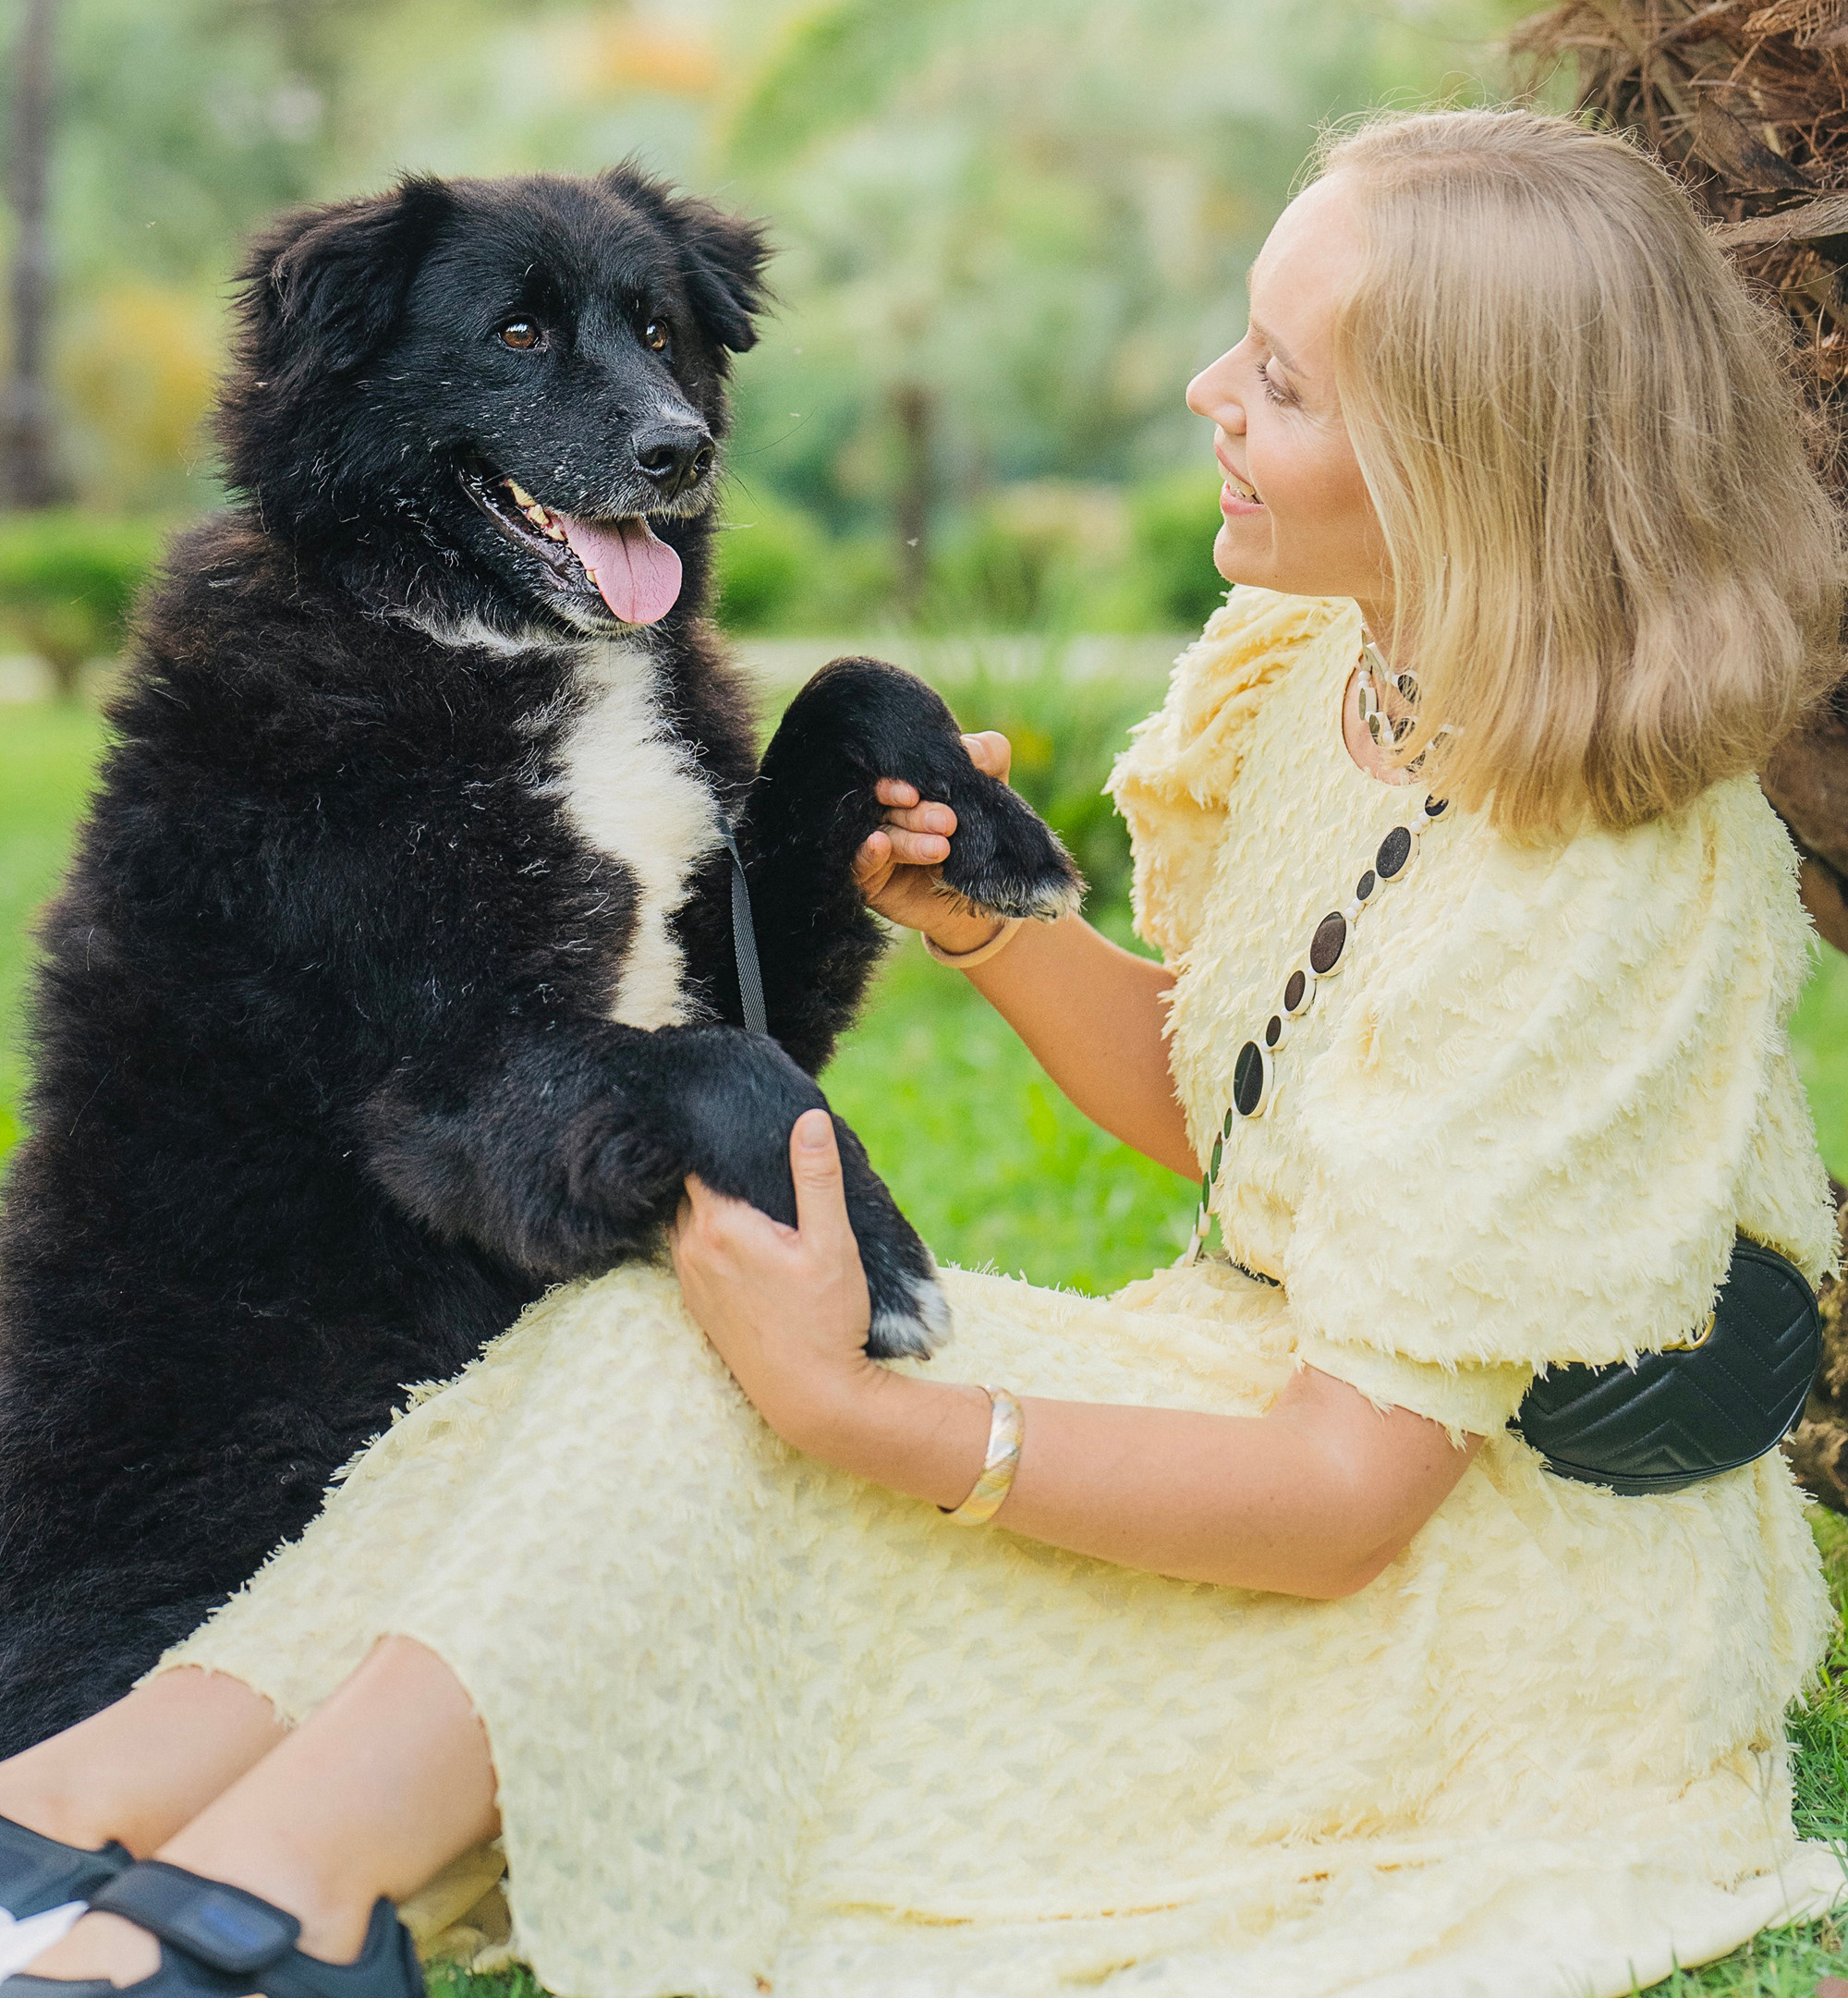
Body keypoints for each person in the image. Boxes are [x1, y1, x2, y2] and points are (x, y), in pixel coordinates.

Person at [0, 104, 1841, 1998]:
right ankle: (81, 1816)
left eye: (1278, 382)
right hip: (1242, 1385)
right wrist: (992, 924)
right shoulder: (1323, 666)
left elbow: (1347, 1499)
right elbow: (1228, 1107)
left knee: (714, 1414)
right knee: (649, 1339)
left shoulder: (1606, 883)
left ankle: (243, 1908)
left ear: (1469, 463)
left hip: (1472, 1593)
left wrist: (861, 1418)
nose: (1208, 389)